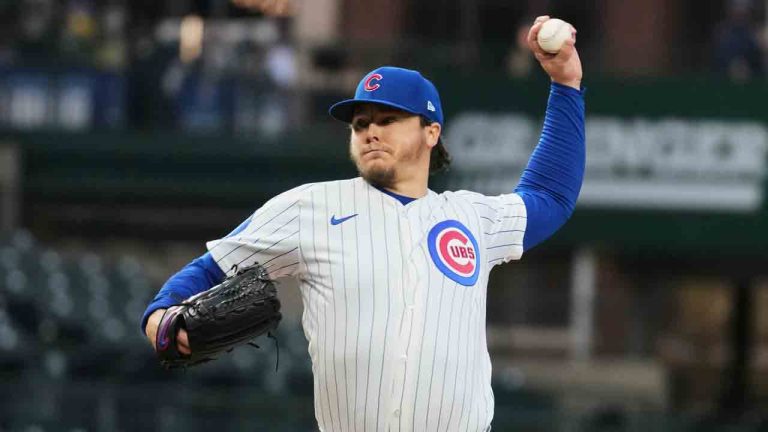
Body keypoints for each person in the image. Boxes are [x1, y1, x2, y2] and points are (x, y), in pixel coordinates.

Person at [142, 15, 585, 432]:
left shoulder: (469, 217)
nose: (371, 131)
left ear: (431, 132)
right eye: (360, 123)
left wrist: (565, 84)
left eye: (388, 120)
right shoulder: (310, 207)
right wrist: (162, 323)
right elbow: (207, 271)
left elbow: (550, 196)